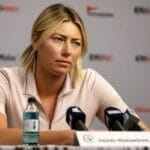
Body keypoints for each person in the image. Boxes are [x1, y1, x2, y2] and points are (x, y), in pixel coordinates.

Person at [0, 3, 149, 145]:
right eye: (59, 39)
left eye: (76, 43)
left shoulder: (90, 82)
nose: (68, 51)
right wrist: (68, 137)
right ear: (35, 39)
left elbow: (143, 135)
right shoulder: (6, 80)